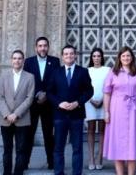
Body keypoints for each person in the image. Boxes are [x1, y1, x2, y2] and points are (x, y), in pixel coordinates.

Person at [46, 45, 94, 175]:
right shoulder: (56, 72)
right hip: (60, 115)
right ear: (62, 56)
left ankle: (77, 172)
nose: (69, 56)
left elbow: (89, 91)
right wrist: (59, 103)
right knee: (58, 147)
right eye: (66, 54)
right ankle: (59, 172)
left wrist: (78, 103)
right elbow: (49, 92)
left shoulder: (83, 71)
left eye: (71, 54)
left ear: (75, 55)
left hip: (77, 115)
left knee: (77, 147)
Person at [103, 46, 136, 175]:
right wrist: (106, 112)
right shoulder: (113, 72)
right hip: (117, 110)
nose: (126, 58)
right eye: (123, 56)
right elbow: (107, 93)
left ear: (132, 58)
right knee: (118, 142)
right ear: (119, 58)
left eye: (128, 56)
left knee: (133, 141)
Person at [25, 37, 61, 169]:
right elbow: (26, 82)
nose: (42, 48)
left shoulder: (55, 61)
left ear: (48, 47)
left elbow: (57, 81)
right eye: (40, 46)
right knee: (29, 134)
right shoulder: (28, 62)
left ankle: (51, 163)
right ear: (36, 47)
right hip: (32, 104)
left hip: (49, 103)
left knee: (49, 135)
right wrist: (36, 94)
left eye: (45, 45)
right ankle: (24, 163)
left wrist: (46, 93)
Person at [0, 49, 35, 175]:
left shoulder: (30, 77)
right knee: (7, 149)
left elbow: (29, 98)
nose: (17, 61)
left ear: (23, 61)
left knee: (21, 149)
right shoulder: (4, 76)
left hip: (22, 119)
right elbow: (1, 97)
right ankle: (6, 173)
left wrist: (16, 114)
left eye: (19, 58)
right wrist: (7, 114)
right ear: (11, 60)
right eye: (14, 58)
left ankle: (18, 173)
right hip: (6, 119)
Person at [87, 48, 109, 171]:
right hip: (89, 102)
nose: (96, 58)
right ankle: (91, 158)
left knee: (102, 130)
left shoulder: (107, 70)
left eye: (98, 56)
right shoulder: (87, 71)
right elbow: (84, 87)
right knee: (90, 129)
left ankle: (100, 157)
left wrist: (102, 101)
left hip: (103, 102)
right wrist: (90, 99)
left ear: (102, 57)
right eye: (94, 56)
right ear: (91, 58)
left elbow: (108, 86)